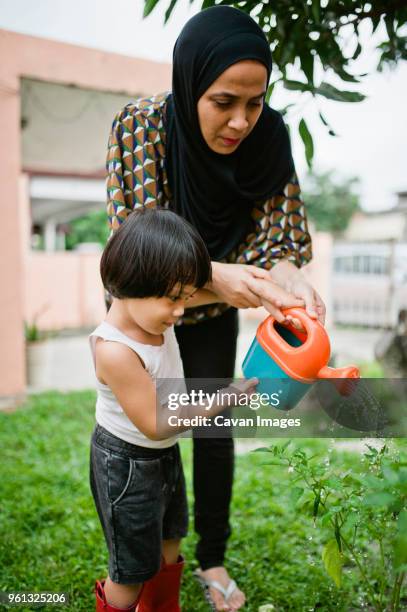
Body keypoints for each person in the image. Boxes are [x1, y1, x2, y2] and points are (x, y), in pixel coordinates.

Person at [106, 6, 326, 610]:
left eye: (254, 104)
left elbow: (280, 240)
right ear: (190, 84)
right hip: (146, 314)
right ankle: (137, 563)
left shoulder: (269, 137)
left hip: (214, 309)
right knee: (142, 435)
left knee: (213, 426)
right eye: (224, 101)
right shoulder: (141, 127)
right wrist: (213, 277)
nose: (241, 122)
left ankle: (212, 558)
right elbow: (132, 257)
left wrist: (287, 277)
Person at [90, 207, 257, 612]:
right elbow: (155, 424)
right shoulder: (115, 350)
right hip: (126, 465)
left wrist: (261, 291)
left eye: (185, 296)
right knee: (130, 572)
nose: (182, 310)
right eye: (174, 299)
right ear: (130, 284)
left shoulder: (153, 315)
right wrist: (223, 398)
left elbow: (197, 294)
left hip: (163, 457)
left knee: (169, 544)